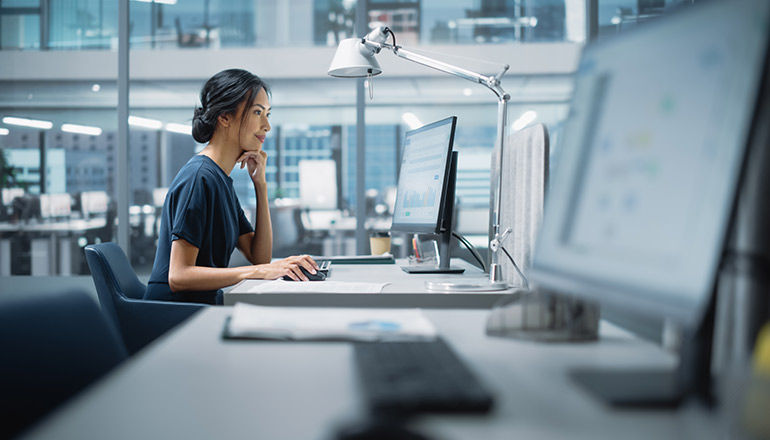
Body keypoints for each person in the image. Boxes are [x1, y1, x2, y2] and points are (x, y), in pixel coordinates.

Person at [145, 68, 319, 305]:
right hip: (174, 315)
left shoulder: (220, 180)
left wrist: (260, 185)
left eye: (267, 114)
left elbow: (260, 257)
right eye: (258, 112)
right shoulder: (199, 178)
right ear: (224, 117)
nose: (267, 125)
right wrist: (255, 272)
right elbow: (179, 275)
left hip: (202, 307)